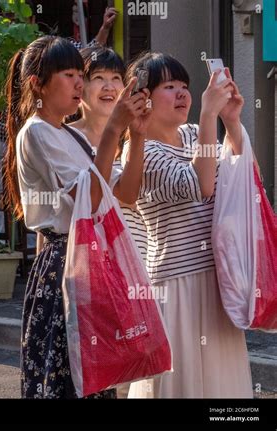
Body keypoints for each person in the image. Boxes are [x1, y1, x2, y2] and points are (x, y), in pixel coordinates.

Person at [3, 35, 150, 398]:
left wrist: (138, 135)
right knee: (66, 378)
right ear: (38, 84)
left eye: (79, 74)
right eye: (69, 74)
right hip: (64, 265)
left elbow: (126, 196)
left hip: (87, 262)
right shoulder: (36, 132)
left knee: (92, 379)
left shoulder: (69, 135)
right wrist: (114, 129)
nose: (79, 83)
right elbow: (91, 200)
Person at [123, 52, 253, 398]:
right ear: (142, 97)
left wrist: (233, 122)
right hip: (175, 282)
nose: (182, 94)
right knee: (180, 383)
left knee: (222, 385)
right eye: (169, 86)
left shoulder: (197, 133)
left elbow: (238, 176)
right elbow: (201, 184)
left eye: (185, 86)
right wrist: (211, 114)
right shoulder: (141, 152)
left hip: (217, 278)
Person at [69, 46, 149, 262]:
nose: (109, 87)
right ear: (79, 86)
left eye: (116, 78)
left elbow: (129, 195)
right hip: (84, 257)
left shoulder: (131, 136)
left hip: (131, 257)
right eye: (98, 77)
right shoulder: (65, 137)